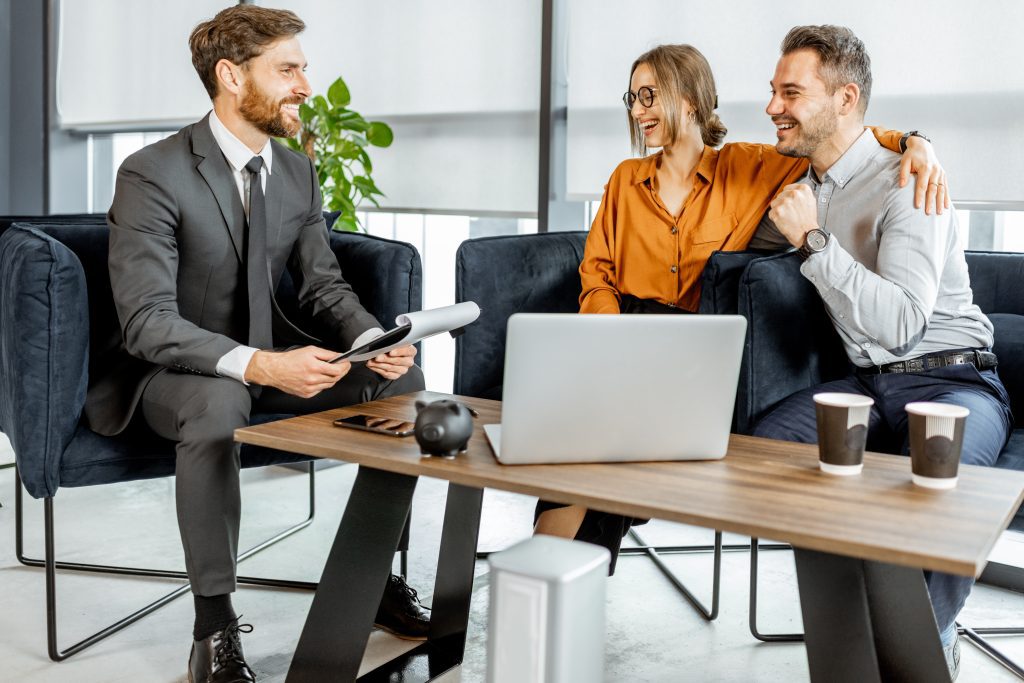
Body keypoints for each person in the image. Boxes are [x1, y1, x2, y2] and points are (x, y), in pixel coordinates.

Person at [84, 6, 429, 681]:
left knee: (402, 385)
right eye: (289, 70)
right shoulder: (151, 173)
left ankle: (371, 576)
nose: (306, 84)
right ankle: (213, 628)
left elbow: (324, 287)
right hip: (171, 370)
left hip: (271, 356)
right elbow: (148, 321)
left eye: (303, 67)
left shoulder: (295, 171)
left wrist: (370, 339)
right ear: (231, 77)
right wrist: (261, 363)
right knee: (218, 402)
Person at [534, 42, 948, 572]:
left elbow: (843, 141)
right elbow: (597, 274)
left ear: (689, 100)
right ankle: (561, 568)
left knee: (606, 417)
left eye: (647, 96)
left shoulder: (754, 167)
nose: (637, 112)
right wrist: (608, 337)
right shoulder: (624, 180)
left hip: (696, 349)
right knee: (593, 413)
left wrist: (917, 143)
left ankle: (553, 574)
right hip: (620, 334)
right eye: (630, 99)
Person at [749, 25, 1013, 680]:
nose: (773, 106)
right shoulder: (804, 184)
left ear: (844, 99)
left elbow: (901, 323)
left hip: (953, 382)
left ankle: (925, 643)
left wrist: (813, 242)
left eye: (790, 91)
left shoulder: (909, 182)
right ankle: (843, 639)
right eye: (772, 91)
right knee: (762, 451)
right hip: (866, 387)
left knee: (938, 490)